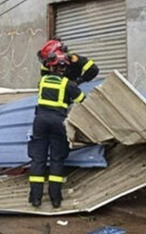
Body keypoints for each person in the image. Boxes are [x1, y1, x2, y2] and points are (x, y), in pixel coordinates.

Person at [28, 49, 86, 208]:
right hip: (58, 122)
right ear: (63, 68)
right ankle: (55, 199)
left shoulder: (43, 81)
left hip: (40, 121)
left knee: (38, 159)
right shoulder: (67, 84)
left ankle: (36, 198)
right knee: (57, 159)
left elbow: (44, 70)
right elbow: (82, 100)